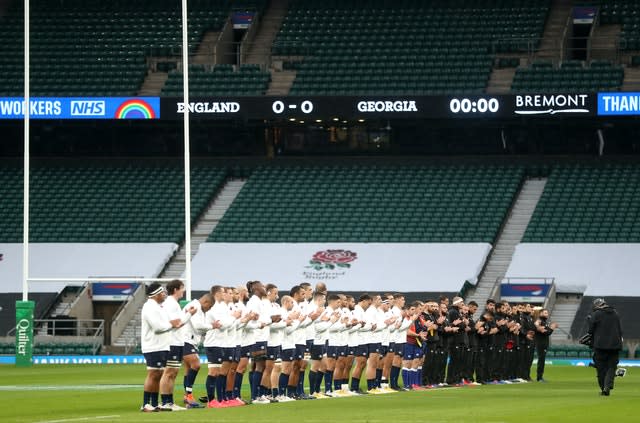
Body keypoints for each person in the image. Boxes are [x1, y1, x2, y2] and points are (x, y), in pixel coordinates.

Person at [140, 283, 191, 412]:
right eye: (162, 293)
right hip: (153, 345)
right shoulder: (149, 307)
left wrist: (173, 323)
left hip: (161, 345)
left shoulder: (158, 307)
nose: (165, 295)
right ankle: (146, 404)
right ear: (156, 294)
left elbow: (169, 324)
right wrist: (171, 324)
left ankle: (155, 403)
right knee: (153, 374)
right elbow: (157, 328)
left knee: (158, 374)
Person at [181, 293, 214, 407]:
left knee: (188, 369)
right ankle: (188, 396)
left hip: (189, 340)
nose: (208, 310)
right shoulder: (196, 307)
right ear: (206, 302)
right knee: (196, 365)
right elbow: (198, 325)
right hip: (186, 340)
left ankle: (187, 397)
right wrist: (211, 326)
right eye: (209, 307)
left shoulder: (196, 306)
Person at [587, 298, 623, 396]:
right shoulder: (615, 313)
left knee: (601, 368)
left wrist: (590, 321)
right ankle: (607, 386)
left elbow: (590, 331)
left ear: (596, 305)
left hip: (600, 346)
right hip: (615, 345)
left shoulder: (596, 314)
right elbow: (620, 330)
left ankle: (604, 388)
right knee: (611, 367)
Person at [534, 308, 557, 382]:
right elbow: (546, 332)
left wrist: (549, 329)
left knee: (542, 360)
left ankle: (540, 376)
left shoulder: (544, 321)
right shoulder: (539, 320)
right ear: (540, 313)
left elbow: (546, 331)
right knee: (541, 360)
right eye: (545, 313)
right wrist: (552, 328)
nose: (547, 314)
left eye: (547, 313)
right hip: (540, 343)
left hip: (544, 343)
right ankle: (539, 377)